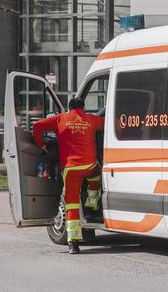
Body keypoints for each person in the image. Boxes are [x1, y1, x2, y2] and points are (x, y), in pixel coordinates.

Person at [31, 98, 104, 254]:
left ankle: (73, 243)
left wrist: (41, 145)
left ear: (69, 108)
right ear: (83, 108)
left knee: (72, 205)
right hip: (89, 165)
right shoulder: (91, 119)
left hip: (70, 170)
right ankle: (92, 205)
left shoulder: (60, 118)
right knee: (97, 174)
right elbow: (110, 123)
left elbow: (36, 126)